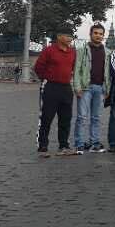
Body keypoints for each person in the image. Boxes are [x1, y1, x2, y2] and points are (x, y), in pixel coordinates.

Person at [34, 27, 77, 156]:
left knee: (66, 118)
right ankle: (42, 146)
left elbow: (73, 67)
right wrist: (47, 78)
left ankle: (63, 146)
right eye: (67, 35)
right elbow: (38, 67)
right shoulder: (49, 50)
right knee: (46, 117)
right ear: (59, 37)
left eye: (71, 36)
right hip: (51, 87)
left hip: (66, 88)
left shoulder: (72, 52)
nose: (70, 38)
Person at [72, 23, 111, 154]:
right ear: (90, 34)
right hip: (85, 87)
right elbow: (77, 69)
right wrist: (77, 86)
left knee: (96, 117)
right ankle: (79, 143)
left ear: (103, 36)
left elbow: (108, 72)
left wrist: (107, 89)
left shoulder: (108, 52)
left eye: (101, 34)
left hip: (100, 88)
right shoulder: (82, 50)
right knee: (82, 117)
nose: (98, 36)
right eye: (96, 33)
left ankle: (94, 143)